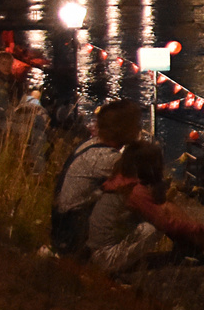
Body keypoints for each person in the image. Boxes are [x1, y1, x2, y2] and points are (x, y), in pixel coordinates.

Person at [86, 142, 204, 273]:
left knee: (166, 207)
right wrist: (200, 228)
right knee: (152, 228)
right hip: (107, 259)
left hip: (102, 252)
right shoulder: (134, 190)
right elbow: (165, 223)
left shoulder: (122, 180)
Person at [50, 99, 140, 258]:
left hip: (62, 225)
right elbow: (140, 181)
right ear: (123, 130)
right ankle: (105, 258)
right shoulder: (106, 158)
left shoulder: (91, 144)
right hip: (72, 234)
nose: (139, 128)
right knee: (128, 192)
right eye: (135, 124)